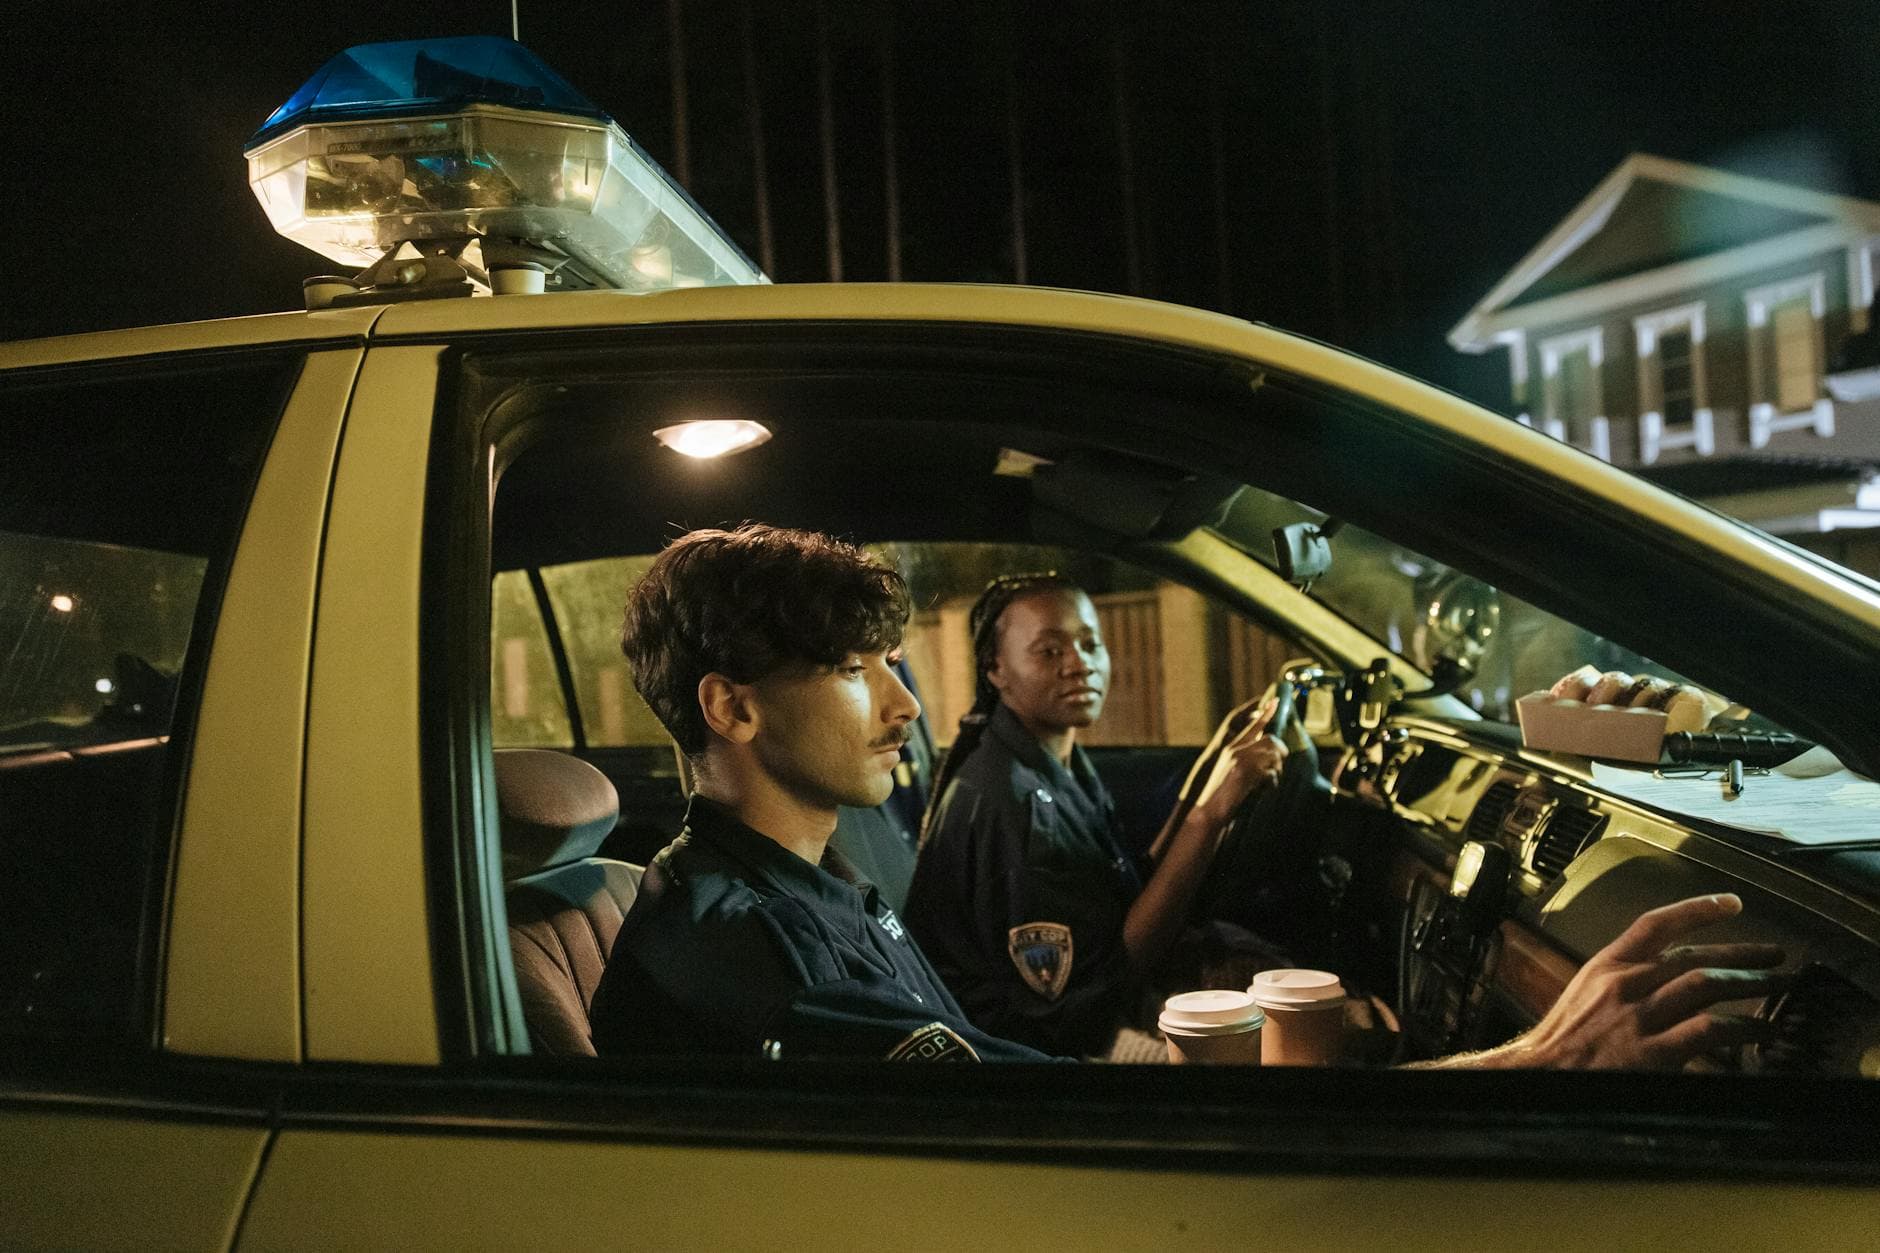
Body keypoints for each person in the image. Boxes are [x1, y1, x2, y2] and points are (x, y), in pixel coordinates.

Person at [590, 524, 1783, 1068]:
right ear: (730, 707)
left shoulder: (808, 879)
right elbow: (1039, 1121)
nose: (903, 707)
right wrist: (1536, 1062)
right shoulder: (740, 946)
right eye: (855, 674)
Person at [903, 573, 1292, 1056]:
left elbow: (1120, 896)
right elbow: (1105, 984)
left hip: (1078, 1013)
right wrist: (1209, 817)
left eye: (1090, 644)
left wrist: (1207, 792)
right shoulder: (1015, 804)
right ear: (995, 669)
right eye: (1050, 651)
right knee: (1275, 1037)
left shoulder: (1048, 761)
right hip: (1039, 1049)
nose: (1080, 664)